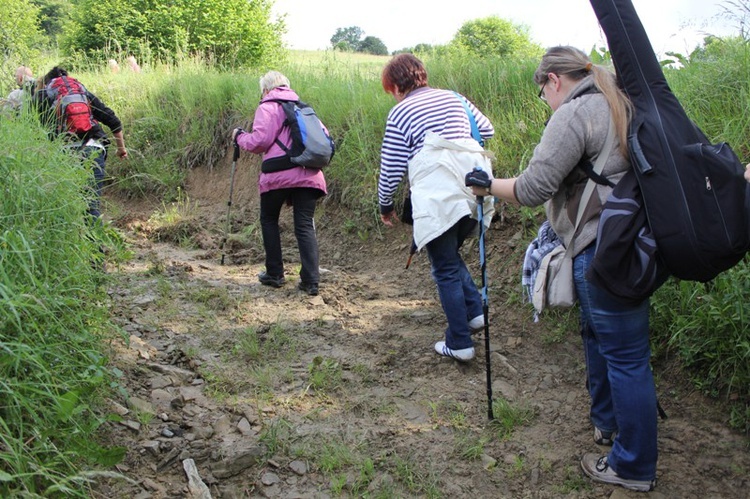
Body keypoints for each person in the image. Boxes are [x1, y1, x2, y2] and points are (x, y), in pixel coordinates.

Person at [466, 46, 656, 492]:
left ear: (553, 80)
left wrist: (486, 184)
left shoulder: (576, 112)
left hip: (601, 249)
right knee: (610, 344)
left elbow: (534, 188)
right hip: (639, 243)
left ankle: (633, 464)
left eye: (542, 94)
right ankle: (607, 425)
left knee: (625, 359)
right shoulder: (625, 101)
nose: (546, 103)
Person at [378, 54, 495, 362]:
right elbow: (487, 130)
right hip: (473, 189)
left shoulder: (400, 112)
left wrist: (385, 205)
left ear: (395, 86)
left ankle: (459, 342)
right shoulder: (456, 98)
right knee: (449, 257)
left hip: (437, 195)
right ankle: (474, 313)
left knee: (443, 266)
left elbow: (391, 167)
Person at [232, 71, 326, 296]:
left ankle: (274, 274)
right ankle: (311, 281)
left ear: (265, 90)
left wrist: (239, 137)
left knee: (269, 219)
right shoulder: (305, 109)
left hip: (278, 172)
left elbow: (260, 141)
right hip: (309, 174)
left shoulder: (267, 107)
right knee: (304, 224)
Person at [34, 66, 128, 220]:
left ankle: (72, 241)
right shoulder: (81, 91)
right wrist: (121, 149)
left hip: (64, 155)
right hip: (93, 150)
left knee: (64, 207)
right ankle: (95, 243)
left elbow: (33, 130)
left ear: (47, 81)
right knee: (91, 206)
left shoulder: (44, 94)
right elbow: (114, 121)